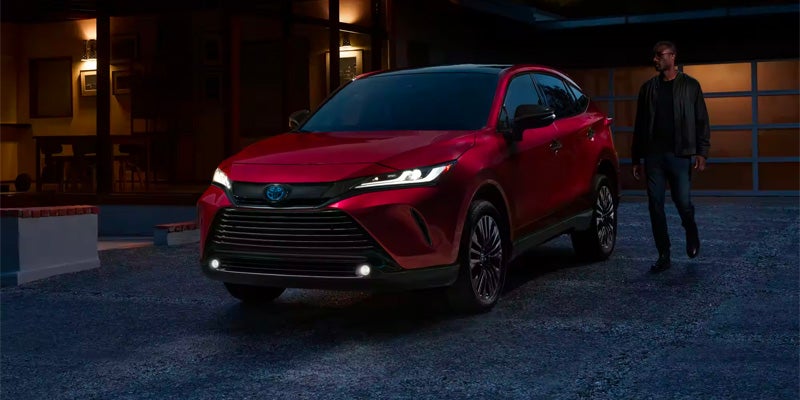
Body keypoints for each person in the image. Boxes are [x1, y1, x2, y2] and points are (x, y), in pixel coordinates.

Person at [631, 41, 711, 273]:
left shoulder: (690, 86)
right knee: (655, 205)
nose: (655, 59)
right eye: (654, 56)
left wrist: (701, 151)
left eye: (659, 55)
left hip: (680, 154)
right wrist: (636, 157)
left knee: (683, 202)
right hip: (654, 156)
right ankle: (664, 254)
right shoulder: (648, 89)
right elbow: (640, 125)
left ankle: (691, 230)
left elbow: (701, 121)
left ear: (673, 56)